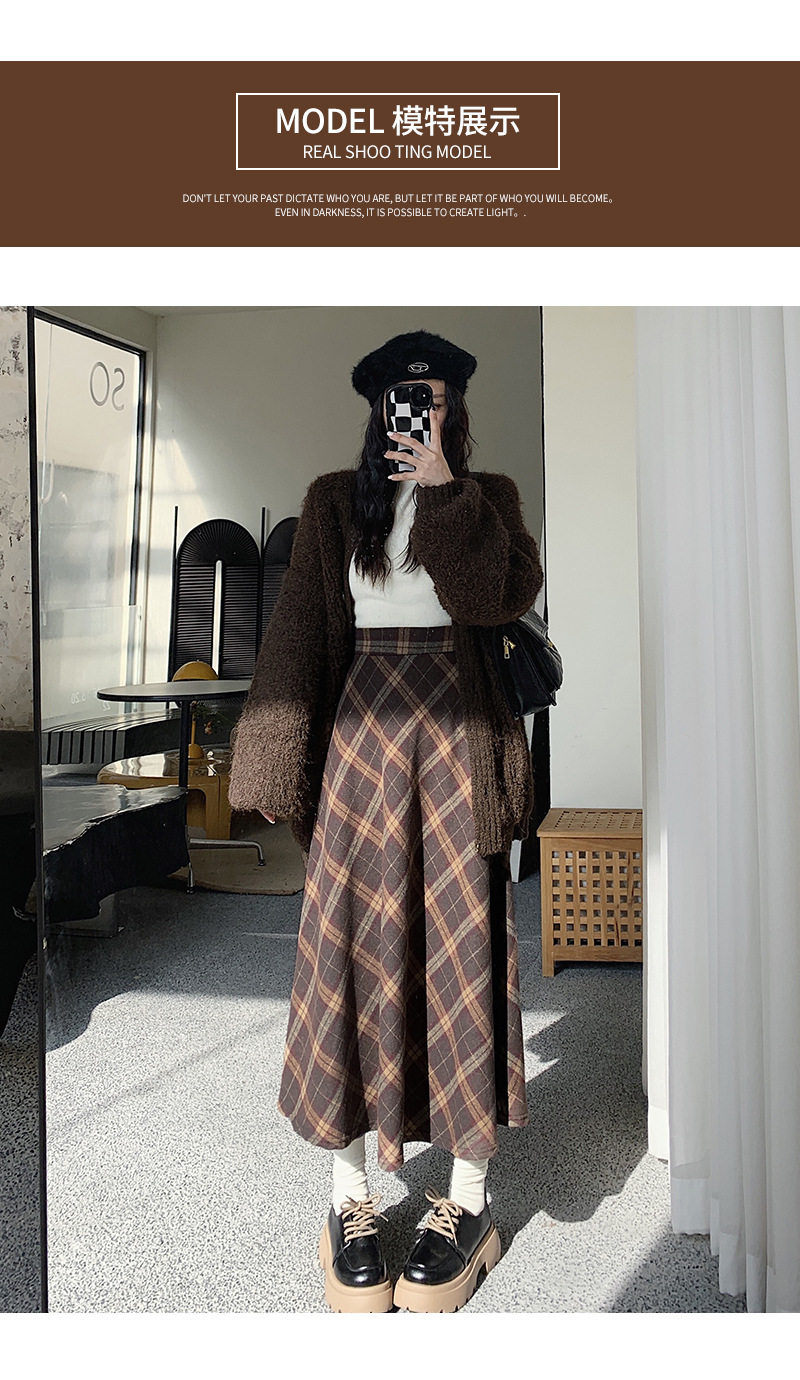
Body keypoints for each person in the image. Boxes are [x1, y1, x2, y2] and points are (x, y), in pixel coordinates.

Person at [228, 328, 544, 1313]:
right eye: (404, 400)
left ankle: (467, 1198)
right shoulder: (334, 502)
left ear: (454, 411)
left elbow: (496, 597)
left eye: (435, 399)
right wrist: (273, 750)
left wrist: (445, 490)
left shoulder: (488, 500)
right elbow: (298, 633)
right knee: (349, 953)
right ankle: (349, 1194)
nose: (419, 413)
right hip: (361, 744)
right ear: (377, 411)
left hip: (456, 744)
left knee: (460, 951)